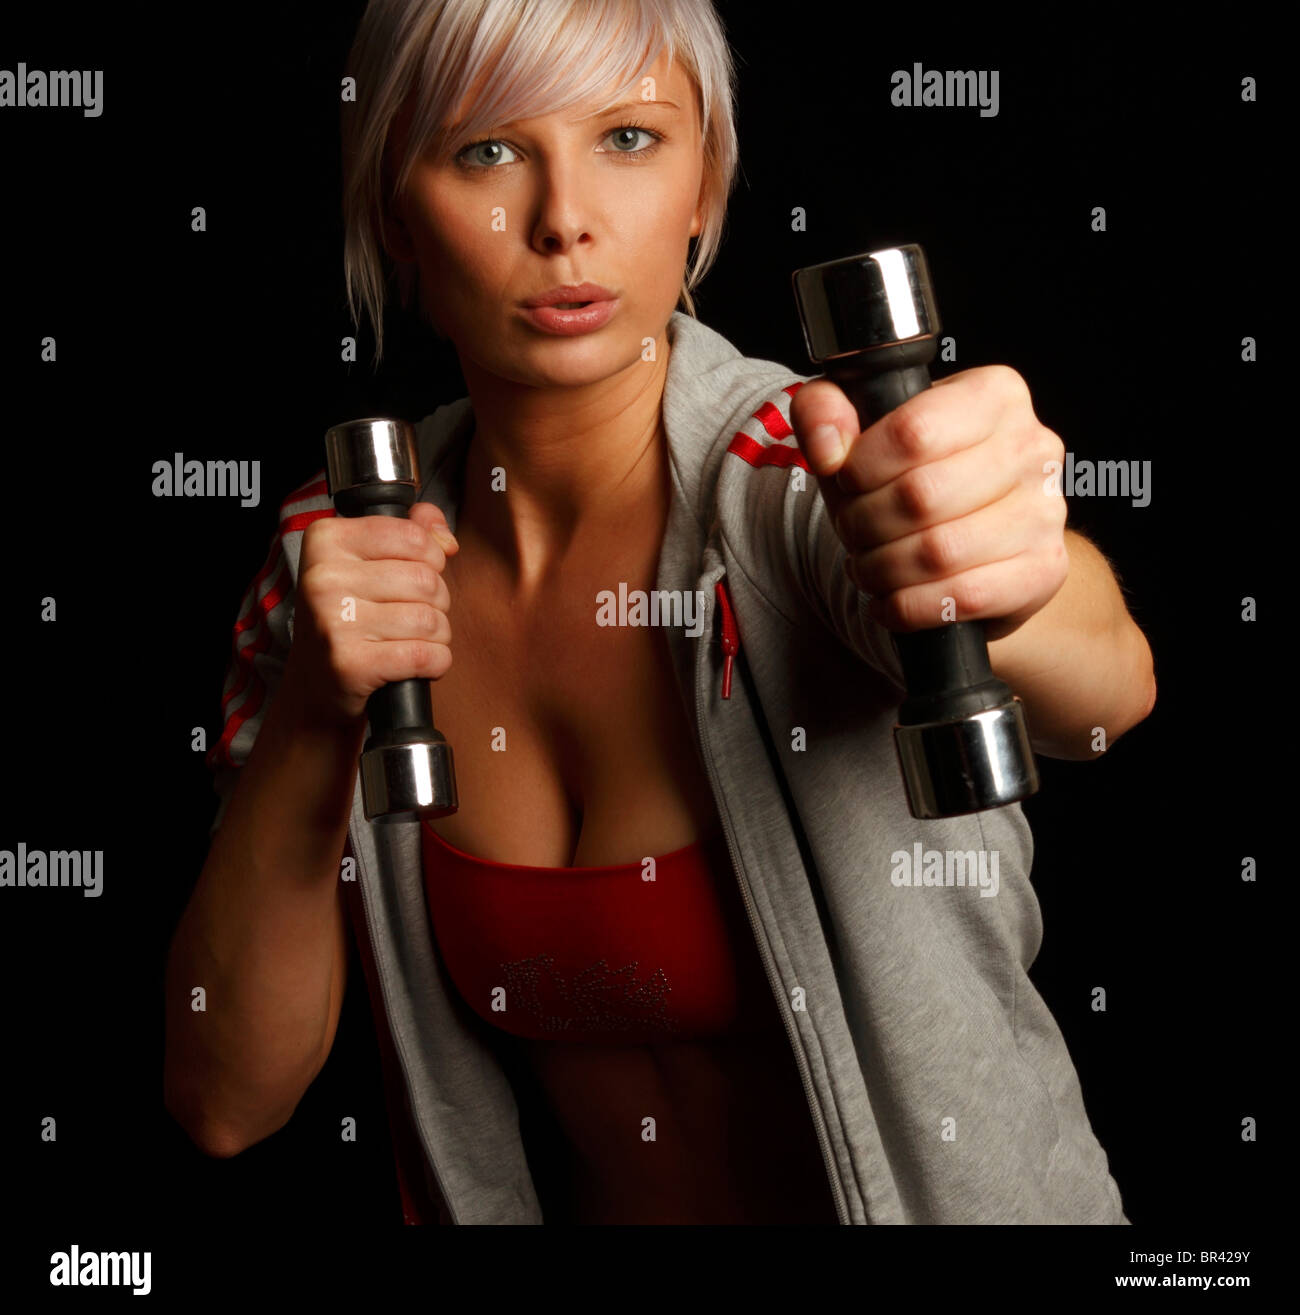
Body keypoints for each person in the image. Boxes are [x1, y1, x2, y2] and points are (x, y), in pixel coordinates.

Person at [163, 0, 1156, 1225]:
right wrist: (321, 708)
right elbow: (225, 1102)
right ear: (391, 212)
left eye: (628, 139)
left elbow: (1111, 689)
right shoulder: (343, 558)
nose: (564, 218)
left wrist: (991, 558)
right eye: (486, 149)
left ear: (703, 187)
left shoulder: (803, 477)